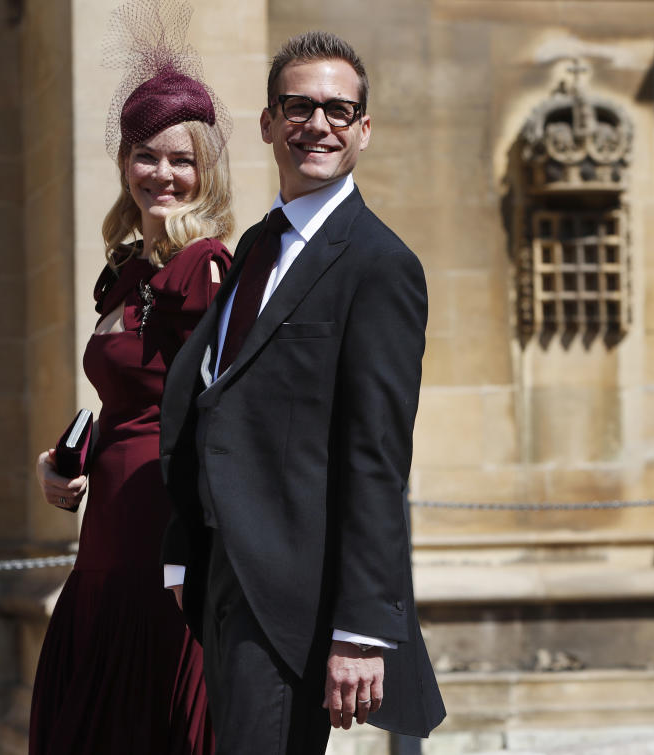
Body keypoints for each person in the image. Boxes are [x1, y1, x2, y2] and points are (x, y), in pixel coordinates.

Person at [159, 31, 446, 754]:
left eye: (339, 111)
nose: (318, 124)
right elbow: (216, 399)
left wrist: (361, 630)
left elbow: (376, 456)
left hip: (298, 597)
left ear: (364, 130)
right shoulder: (259, 244)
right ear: (267, 122)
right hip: (226, 578)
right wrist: (182, 550)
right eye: (299, 106)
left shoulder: (381, 266)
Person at [28, 2, 233, 753]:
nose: (164, 174)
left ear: (205, 169)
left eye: (183, 159)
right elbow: (126, 398)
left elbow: (218, 410)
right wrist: (61, 462)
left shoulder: (201, 267)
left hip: (159, 534)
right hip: (105, 534)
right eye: (147, 155)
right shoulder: (124, 271)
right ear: (123, 163)